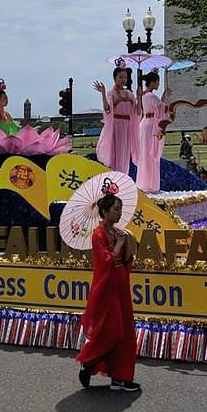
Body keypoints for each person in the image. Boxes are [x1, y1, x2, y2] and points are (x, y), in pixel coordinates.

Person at [76, 192, 139, 392]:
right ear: (105, 211)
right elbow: (104, 262)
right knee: (114, 330)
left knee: (127, 330)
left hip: (121, 285)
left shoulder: (118, 232)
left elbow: (126, 258)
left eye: (120, 209)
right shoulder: (99, 234)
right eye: (116, 209)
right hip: (107, 286)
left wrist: (127, 245)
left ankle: (121, 377)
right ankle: (89, 361)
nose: (119, 213)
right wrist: (119, 245)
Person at [94, 66, 139, 174]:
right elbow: (107, 109)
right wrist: (103, 93)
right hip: (116, 126)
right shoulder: (111, 93)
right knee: (115, 154)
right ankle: (114, 180)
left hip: (127, 127)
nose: (123, 79)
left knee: (124, 154)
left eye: (125, 77)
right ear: (115, 78)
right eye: (120, 77)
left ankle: (123, 177)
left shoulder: (129, 94)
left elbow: (137, 112)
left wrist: (139, 97)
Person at [135, 71, 169, 193]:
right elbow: (162, 110)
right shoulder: (152, 96)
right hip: (151, 126)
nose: (158, 84)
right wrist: (166, 98)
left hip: (144, 124)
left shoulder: (143, 95)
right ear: (153, 82)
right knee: (151, 155)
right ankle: (151, 185)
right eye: (158, 82)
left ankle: (144, 183)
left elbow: (159, 107)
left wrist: (164, 97)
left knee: (145, 154)